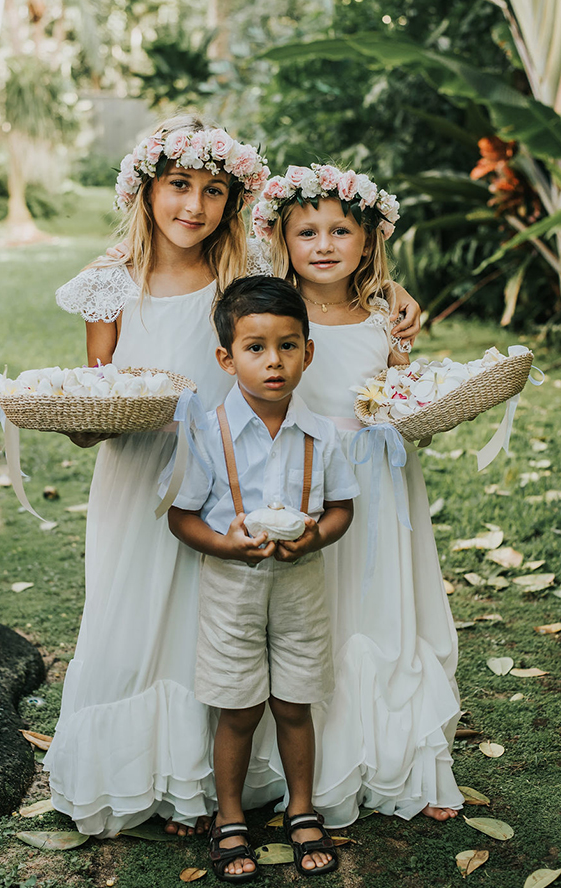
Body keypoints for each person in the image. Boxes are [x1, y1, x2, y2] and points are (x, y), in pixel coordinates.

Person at [45, 112, 421, 839]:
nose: (194, 207)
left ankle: (210, 782)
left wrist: (391, 290)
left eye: (214, 191)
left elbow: (319, 274)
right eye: (178, 186)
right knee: (133, 613)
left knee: (215, 625)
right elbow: (100, 390)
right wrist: (84, 418)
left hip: (231, 473)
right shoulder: (108, 283)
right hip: (141, 472)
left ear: (235, 200)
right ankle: (139, 775)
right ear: (144, 190)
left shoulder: (240, 265)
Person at [247, 164, 464, 825]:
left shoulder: (382, 319)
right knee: (305, 621)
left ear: (368, 242)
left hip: (375, 484)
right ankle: (292, 762)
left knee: (377, 613)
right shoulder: (273, 312)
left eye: (341, 230)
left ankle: (392, 754)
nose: (322, 244)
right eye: (306, 230)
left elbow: (399, 397)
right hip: (300, 483)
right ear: (281, 238)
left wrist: (402, 356)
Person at [165, 275, 359, 880]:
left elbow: (342, 510)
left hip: (302, 584)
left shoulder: (324, 434)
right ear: (227, 357)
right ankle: (229, 819)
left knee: (294, 702)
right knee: (239, 708)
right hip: (231, 585)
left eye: (288, 346)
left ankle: (301, 809)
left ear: (308, 351)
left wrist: (314, 537)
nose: (273, 361)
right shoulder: (205, 432)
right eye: (255, 348)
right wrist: (227, 545)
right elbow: (180, 516)